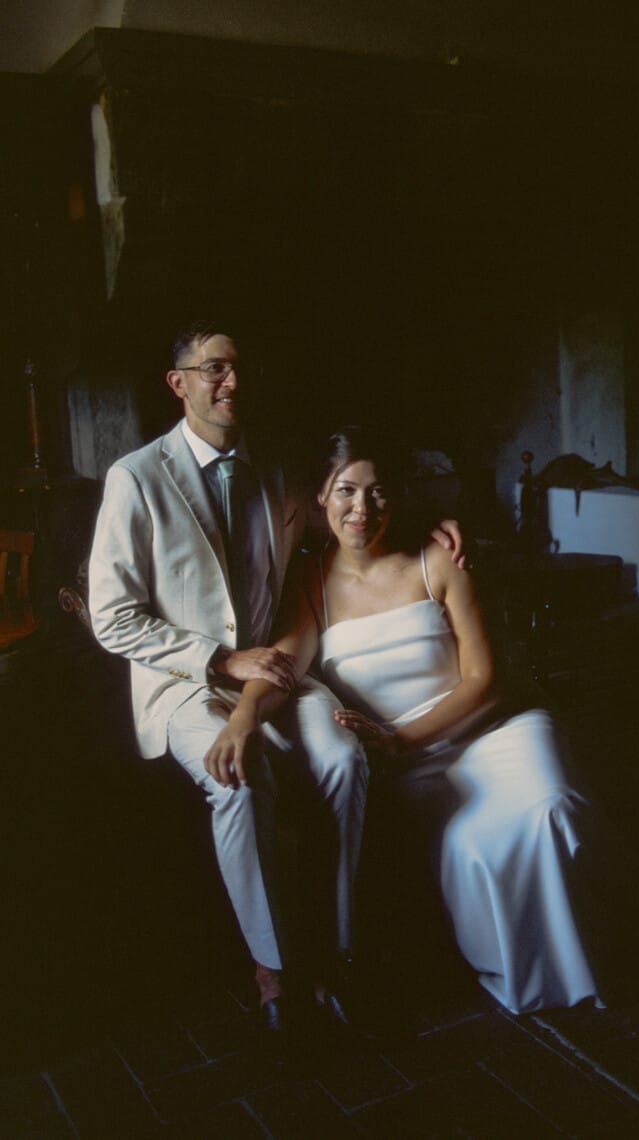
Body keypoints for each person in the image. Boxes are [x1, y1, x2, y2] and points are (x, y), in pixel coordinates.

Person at [87, 325, 465, 1036]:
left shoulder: (276, 467)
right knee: (238, 771)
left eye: (240, 370)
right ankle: (275, 972)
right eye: (215, 370)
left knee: (346, 759)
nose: (232, 384)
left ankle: (343, 949)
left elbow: (350, 511)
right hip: (185, 682)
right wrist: (219, 660)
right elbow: (111, 618)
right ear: (180, 383)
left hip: (281, 670)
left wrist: (433, 522)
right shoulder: (135, 478)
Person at [205, 424, 639, 1016]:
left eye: (378, 491)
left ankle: (625, 949)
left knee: (548, 806)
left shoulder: (439, 557)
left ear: (399, 495)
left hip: (491, 731)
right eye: (346, 491)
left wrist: (398, 739)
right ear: (321, 498)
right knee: (473, 844)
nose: (363, 508)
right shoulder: (311, 583)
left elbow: (485, 679)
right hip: (412, 768)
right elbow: (281, 666)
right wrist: (244, 717)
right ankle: (550, 976)